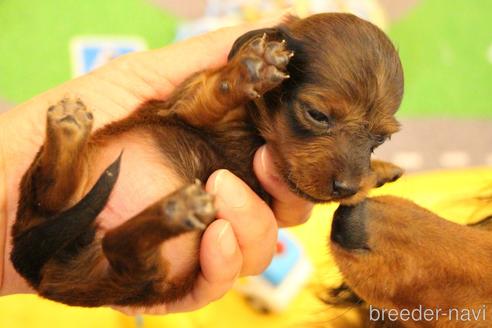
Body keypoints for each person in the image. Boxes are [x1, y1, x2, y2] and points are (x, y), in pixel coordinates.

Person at [0, 15, 313, 315]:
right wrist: (231, 82)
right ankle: (144, 216)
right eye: (316, 114)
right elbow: (188, 110)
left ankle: (80, 167)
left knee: (111, 257)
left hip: (128, 219)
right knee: (118, 256)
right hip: (173, 137)